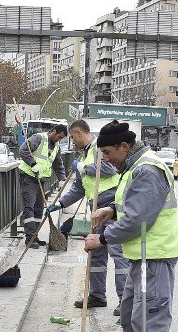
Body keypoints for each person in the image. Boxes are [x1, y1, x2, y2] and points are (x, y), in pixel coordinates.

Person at [85, 121, 178, 332]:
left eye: (107, 152)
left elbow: (139, 219)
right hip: (141, 256)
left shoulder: (147, 170)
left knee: (150, 320)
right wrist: (111, 211)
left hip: (155, 256)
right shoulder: (133, 167)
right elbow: (133, 205)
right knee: (129, 315)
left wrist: (102, 238)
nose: (105, 159)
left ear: (124, 146)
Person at [46, 120, 130, 314]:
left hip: (110, 207)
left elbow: (108, 169)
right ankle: (97, 295)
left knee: (118, 254)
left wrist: (82, 166)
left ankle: (124, 301)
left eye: (73, 137)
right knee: (96, 252)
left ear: (79, 133)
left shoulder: (100, 148)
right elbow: (78, 188)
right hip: (95, 209)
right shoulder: (83, 155)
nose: (72, 141)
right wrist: (60, 204)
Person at [18, 124, 67, 246]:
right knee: (29, 207)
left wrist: (62, 179)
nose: (59, 140)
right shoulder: (38, 138)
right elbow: (23, 150)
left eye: (61, 139)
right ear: (54, 131)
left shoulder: (56, 147)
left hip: (42, 179)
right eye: (59, 137)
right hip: (28, 177)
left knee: (39, 209)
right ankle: (29, 238)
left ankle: (35, 235)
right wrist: (32, 164)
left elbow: (58, 164)